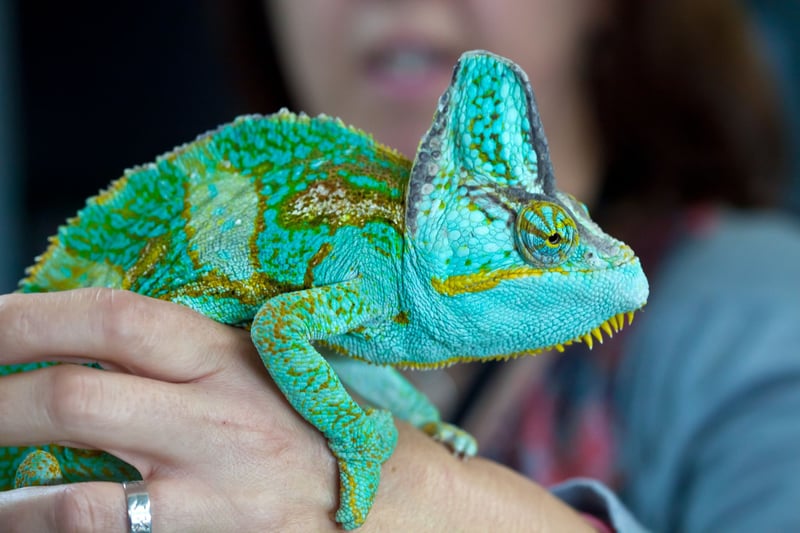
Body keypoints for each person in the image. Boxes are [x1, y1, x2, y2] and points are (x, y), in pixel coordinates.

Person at [2, 0, 799, 531]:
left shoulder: (753, 318)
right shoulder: (383, 255)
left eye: (552, 237)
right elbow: (290, 323)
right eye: (546, 240)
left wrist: (414, 488)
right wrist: (384, 417)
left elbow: (296, 328)